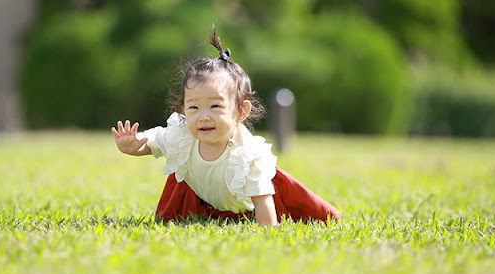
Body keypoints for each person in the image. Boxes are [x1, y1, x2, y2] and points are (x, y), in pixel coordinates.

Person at [112, 26, 342, 226]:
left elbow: (263, 202)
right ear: (183, 109)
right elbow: (150, 144)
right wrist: (132, 145)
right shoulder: (182, 136)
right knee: (179, 175)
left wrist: (268, 236)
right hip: (204, 201)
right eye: (193, 108)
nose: (203, 117)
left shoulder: (248, 155)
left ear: (241, 111)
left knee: (284, 198)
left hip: (243, 209)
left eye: (215, 107)